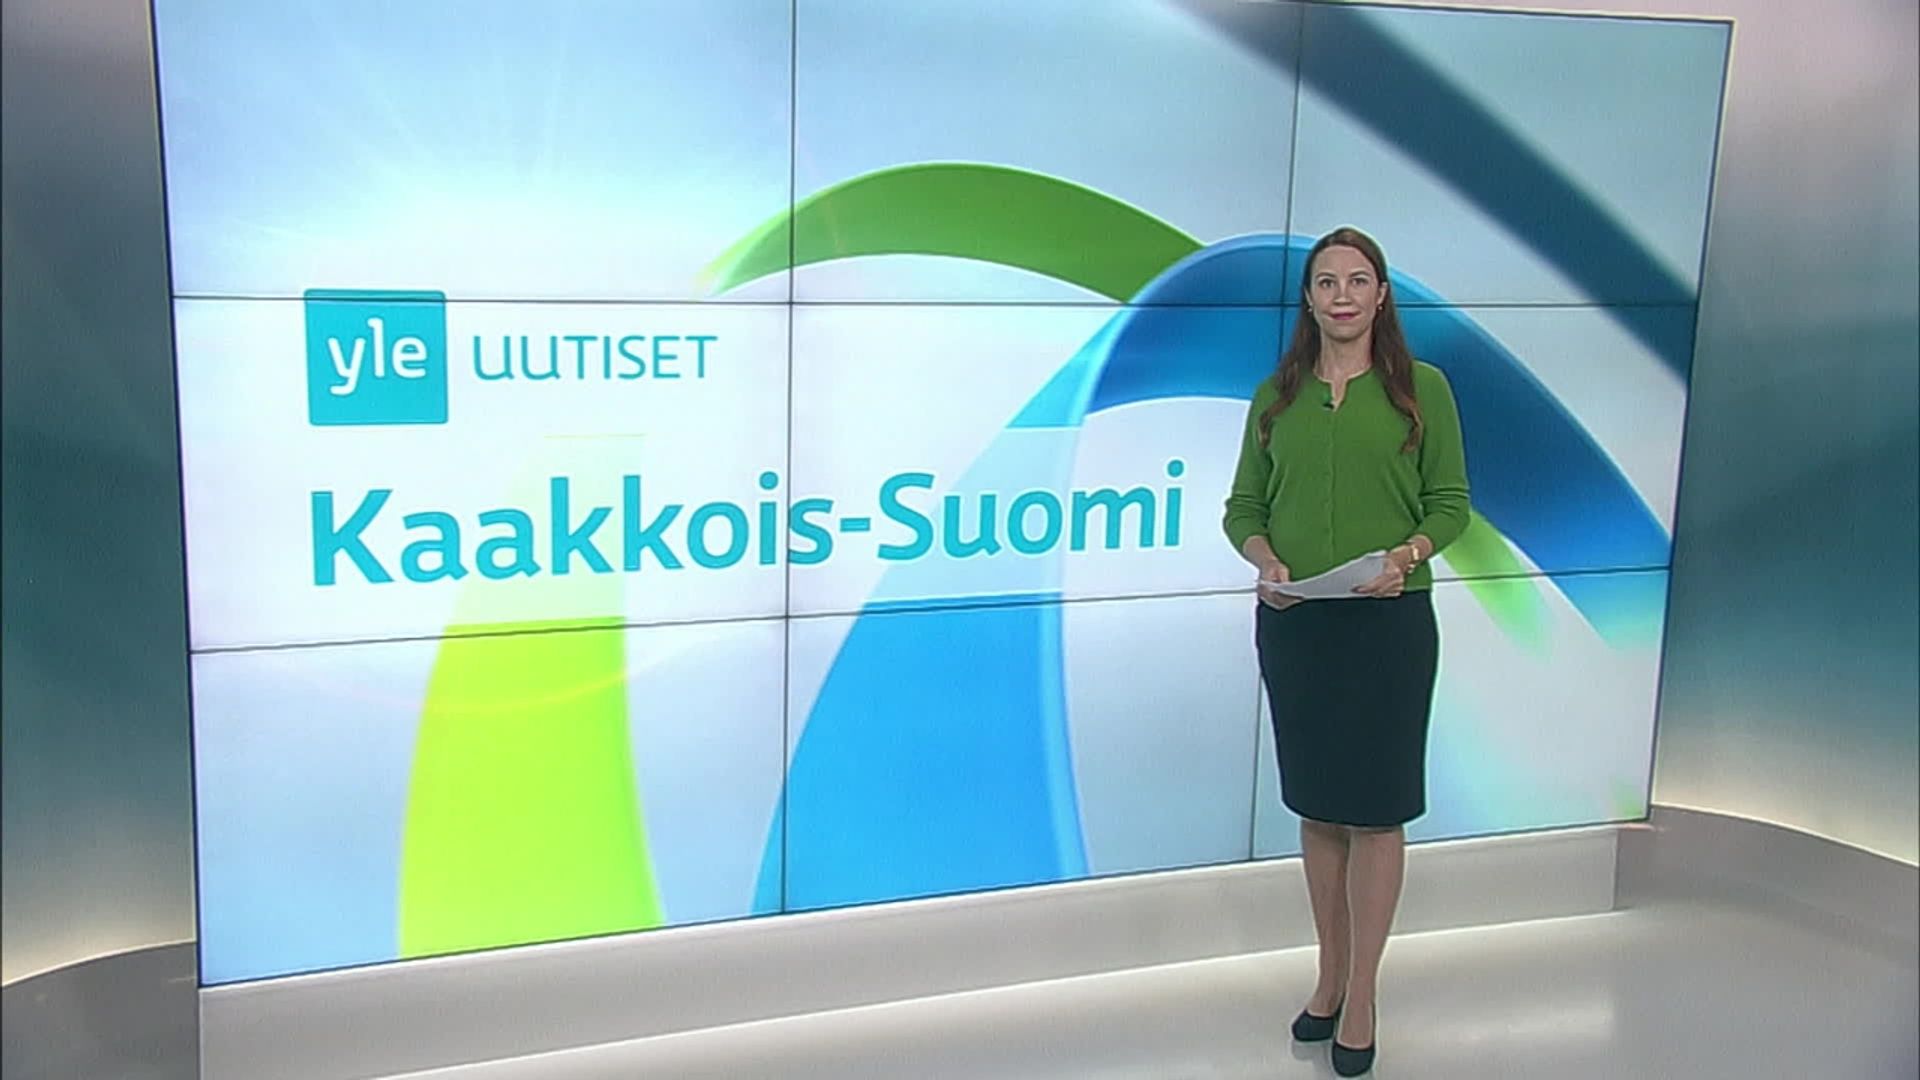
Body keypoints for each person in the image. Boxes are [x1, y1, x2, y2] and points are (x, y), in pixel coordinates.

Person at [1222, 226, 1470, 1077]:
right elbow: (1243, 507)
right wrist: (1265, 560)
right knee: (1320, 807)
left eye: (1357, 281)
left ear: (1381, 294)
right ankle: (1328, 976)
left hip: (1388, 627)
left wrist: (1406, 557)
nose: (1342, 296)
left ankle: (1363, 993)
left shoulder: (1421, 390)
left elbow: (1449, 503)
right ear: (1309, 298)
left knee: (1376, 809)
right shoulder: (1277, 395)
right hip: (1298, 627)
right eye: (1326, 282)